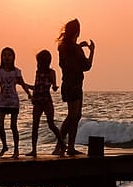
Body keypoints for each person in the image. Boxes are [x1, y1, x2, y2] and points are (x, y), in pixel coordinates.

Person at [56, 19, 95, 155]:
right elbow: (87, 66)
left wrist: (79, 46)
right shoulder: (75, 49)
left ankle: (66, 146)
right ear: (77, 31)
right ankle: (62, 146)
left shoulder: (63, 47)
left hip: (67, 83)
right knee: (73, 116)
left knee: (75, 116)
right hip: (75, 85)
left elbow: (69, 60)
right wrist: (92, 51)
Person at [0, 47, 32, 158]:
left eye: (9, 55)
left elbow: (22, 84)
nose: (7, 57)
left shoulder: (16, 71)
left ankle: (16, 150)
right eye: (5, 55)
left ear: (13, 57)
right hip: (2, 102)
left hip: (13, 102)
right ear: (1, 58)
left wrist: (29, 94)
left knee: (13, 126)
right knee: (0, 125)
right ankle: (4, 146)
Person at [26, 49, 64, 157]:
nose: (38, 64)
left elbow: (54, 86)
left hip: (46, 100)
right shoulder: (38, 72)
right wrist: (24, 85)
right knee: (35, 125)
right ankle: (34, 150)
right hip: (38, 101)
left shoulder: (51, 72)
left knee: (51, 124)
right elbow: (36, 87)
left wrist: (55, 86)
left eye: (39, 61)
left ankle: (62, 144)